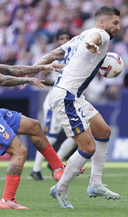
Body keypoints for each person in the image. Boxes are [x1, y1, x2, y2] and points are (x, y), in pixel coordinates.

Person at [0, 27, 65, 209]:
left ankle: (58, 169)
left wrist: (42, 67)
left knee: (34, 126)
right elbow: (2, 79)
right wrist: (28, 80)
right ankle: (7, 200)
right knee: (20, 151)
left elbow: (12, 69)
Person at [31, 5, 121, 209]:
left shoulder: (79, 37)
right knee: (88, 147)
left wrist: (32, 70)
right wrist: (91, 45)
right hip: (67, 97)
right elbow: (95, 39)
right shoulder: (100, 35)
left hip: (74, 96)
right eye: (115, 22)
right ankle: (60, 189)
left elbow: (53, 54)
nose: (118, 27)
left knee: (103, 131)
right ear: (101, 22)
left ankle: (95, 183)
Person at [31, 30, 84, 181]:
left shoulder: (75, 56)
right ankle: (36, 169)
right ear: (57, 41)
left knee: (78, 134)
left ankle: (56, 161)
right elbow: (42, 76)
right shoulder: (55, 57)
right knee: (51, 137)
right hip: (55, 101)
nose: (64, 41)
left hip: (69, 100)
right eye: (62, 38)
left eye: (67, 38)